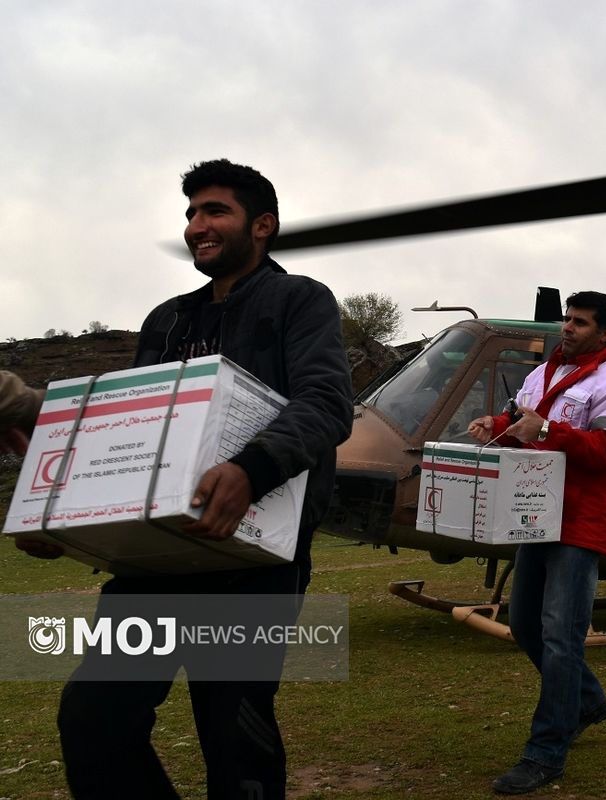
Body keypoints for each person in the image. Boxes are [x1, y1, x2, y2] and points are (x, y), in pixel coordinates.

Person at [8, 159, 354, 799]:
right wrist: (60, 512)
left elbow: (327, 403)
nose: (198, 225)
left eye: (215, 211)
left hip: (255, 567)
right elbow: (128, 428)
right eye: (192, 213)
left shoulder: (298, 299)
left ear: (263, 225)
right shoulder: (165, 319)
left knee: (236, 742)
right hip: (153, 570)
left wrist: (251, 470)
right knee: (93, 722)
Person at [467, 291, 606, 795]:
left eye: (580, 322)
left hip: (581, 523)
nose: (567, 328)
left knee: (561, 636)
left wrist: (548, 428)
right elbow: (519, 420)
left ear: (605, 333)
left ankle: (545, 754)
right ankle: (587, 701)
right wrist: (496, 425)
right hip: (535, 516)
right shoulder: (540, 375)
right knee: (525, 625)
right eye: (566, 319)